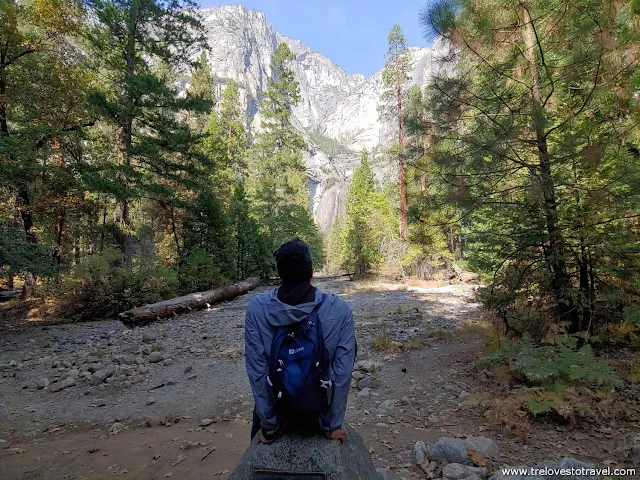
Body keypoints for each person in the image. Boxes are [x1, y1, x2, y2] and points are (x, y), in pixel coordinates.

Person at [244, 238, 356, 445]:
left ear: (279, 272)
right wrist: (333, 425)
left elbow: (257, 371)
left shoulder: (257, 309)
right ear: (312, 271)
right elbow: (343, 372)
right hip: (318, 413)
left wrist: (268, 426)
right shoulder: (339, 310)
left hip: (278, 413)